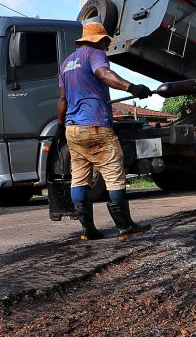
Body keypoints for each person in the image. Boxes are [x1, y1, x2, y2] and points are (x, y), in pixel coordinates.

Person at [57, 22, 153, 240]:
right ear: (98, 40)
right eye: (105, 42)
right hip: (96, 125)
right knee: (113, 173)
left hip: (73, 130)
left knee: (79, 178)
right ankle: (124, 226)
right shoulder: (95, 54)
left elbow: (62, 99)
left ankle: (88, 230)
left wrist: (60, 125)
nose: (106, 46)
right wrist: (132, 87)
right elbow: (103, 73)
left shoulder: (66, 63)